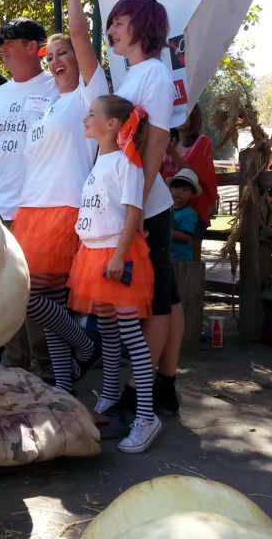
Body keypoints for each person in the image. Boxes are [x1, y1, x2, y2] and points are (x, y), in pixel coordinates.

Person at [11, 0, 108, 394]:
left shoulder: (91, 94)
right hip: (31, 209)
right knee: (45, 302)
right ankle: (64, 382)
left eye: (62, 53)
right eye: (50, 57)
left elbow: (81, 34)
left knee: (32, 296)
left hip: (64, 205)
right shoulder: (50, 105)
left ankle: (86, 347)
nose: (55, 61)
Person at [95, 0, 181, 426]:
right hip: (131, 203)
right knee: (165, 296)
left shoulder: (155, 75)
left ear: (143, 26)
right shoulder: (132, 76)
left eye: (119, 22)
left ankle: (137, 393)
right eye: (111, 22)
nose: (111, 30)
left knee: (155, 302)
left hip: (147, 206)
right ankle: (163, 385)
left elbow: (158, 141)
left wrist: (137, 204)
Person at [70, 94, 159, 453]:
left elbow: (133, 211)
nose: (85, 118)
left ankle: (146, 416)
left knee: (130, 335)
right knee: (107, 329)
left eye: (92, 114)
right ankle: (108, 396)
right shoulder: (101, 160)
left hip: (116, 255)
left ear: (111, 124)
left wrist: (120, 255)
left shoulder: (127, 161)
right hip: (93, 254)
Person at [0, 17, 60, 373]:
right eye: (1, 43)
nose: (3, 49)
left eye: (10, 42)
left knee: (37, 294)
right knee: (6, 290)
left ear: (33, 47)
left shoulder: (56, 86)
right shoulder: (0, 94)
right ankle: (14, 365)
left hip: (37, 205)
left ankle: (48, 368)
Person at [160, 104, 218, 260]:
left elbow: (194, 176)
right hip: (167, 206)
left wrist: (172, 153)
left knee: (191, 259)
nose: (180, 117)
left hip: (192, 209)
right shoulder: (168, 141)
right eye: (176, 113)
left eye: (185, 113)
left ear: (195, 117)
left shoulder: (203, 141)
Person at [166, 169, 202, 263]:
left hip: (181, 260)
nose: (179, 192)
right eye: (176, 188)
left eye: (184, 189)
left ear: (192, 194)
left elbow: (186, 237)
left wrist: (165, 231)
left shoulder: (189, 214)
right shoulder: (165, 209)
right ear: (170, 189)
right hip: (167, 256)